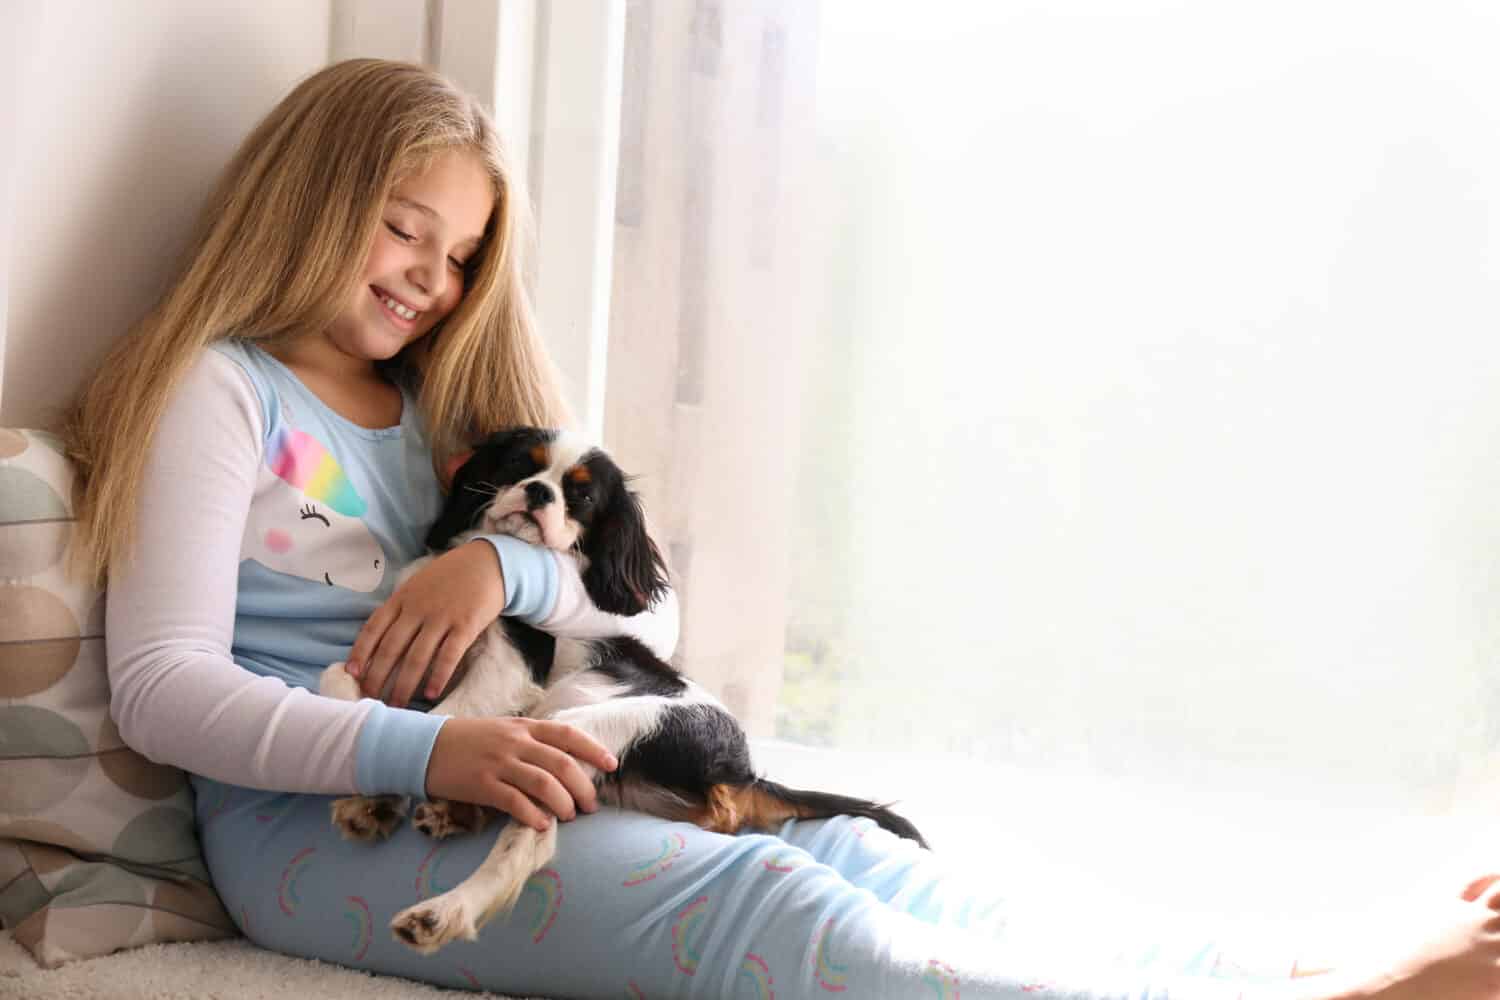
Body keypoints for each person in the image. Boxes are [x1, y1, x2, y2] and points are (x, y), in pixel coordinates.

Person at [58, 57, 1500, 1000]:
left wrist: (499, 559)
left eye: (459, 254)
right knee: (767, 902)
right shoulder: (218, 391)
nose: (431, 280)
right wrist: (435, 744)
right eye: (401, 231)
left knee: (868, 857)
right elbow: (169, 691)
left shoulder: (460, 403)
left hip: (530, 761)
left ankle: (1281, 968)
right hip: (317, 830)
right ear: (310, 200)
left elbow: (650, 619)